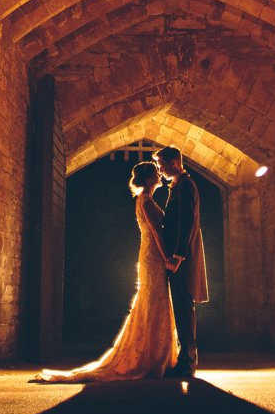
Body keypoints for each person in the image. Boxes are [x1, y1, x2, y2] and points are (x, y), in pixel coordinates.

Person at [32, 160, 180, 382]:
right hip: (153, 255)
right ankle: (151, 357)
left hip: (150, 253)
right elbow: (157, 234)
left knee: (153, 302)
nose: (160, 175)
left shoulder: (143, 199)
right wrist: (168, 256)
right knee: (153, 301)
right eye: (156, 173)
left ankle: (157, 354)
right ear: (149, 178)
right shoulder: (146, 201)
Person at [154, 146, 207, 378]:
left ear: (175, 162)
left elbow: (187, 222)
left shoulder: (186, 186)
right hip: (179, 256)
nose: (160, 169)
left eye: (162, 164)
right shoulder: (179, 185)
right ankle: (186, 359)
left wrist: (178, 255)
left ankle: (187, 362)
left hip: (181, 258)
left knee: (184, 306)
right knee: (182, 307)